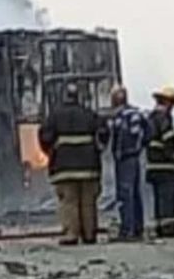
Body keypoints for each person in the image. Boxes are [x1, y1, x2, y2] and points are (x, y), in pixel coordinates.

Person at [38, 82, 110, 245]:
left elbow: (44, 136)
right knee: (88, 201)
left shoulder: (55, 116)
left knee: (69, 201)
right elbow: (104, 131)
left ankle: (71, 234)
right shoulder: (90, 114)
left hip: (64, 168)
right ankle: (89, 234)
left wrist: (50, 152)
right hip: (89, 167)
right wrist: (98, 149)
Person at [108, 85, 151, 241]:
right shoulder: (135, 114)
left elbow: (115, 136)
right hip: (134, 157)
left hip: (125, 158)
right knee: (134, 193)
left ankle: (127, 230)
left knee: (125, 194)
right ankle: (137, 228)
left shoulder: (121, 117)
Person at [146, 85, 174, 238]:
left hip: (153, 166)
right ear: (167, 103)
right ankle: (169, 229)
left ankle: (160, 227)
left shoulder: (150, 118)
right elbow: (169, 141)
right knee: (168, 198)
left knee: (159, 199)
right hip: (166, 166)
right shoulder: (164, 119)